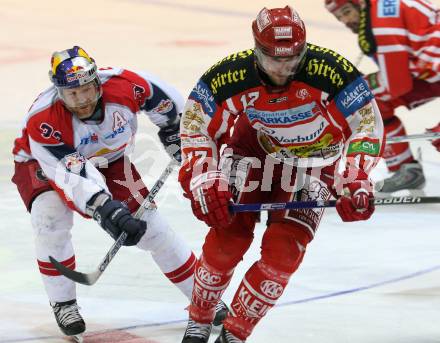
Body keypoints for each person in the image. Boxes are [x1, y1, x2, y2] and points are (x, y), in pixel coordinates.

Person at [178, 6, 384, 343]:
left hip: (316, 163)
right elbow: (195, 125)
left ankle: (235, 333)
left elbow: (367, 123)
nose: (284, 68)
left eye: (293, 58)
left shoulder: (331, 71)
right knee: (226, 241)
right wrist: (204, 177)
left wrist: (356, 178)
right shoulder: (229, 74)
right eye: (273, 59)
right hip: (253, 153)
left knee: (284, 252)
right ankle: (199, 320)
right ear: (256, 49)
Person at [11, 46, 226, 341]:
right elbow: (73, 177)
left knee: (153, 229)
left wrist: (176, 130)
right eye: (73, 94)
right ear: (59, 91)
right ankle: (64, 303)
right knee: (50, 222)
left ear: (97, 81)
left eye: (87, 89)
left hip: (109, 159)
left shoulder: (126, 86)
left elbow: (166, 102)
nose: (83, 100)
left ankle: (204, 300)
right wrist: (106, 208)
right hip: (42, 164)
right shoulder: (45, 121)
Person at [325, 0, 440, 193]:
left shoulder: (383, 26)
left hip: (430, 71)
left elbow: (397, 86)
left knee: (364, 99)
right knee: (368, 96)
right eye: (339, 17)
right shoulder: (379, 11)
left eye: (346, 11)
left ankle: (405, 169)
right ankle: (407, 170)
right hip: (429, 70)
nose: (345, 20)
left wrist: (353, 90)